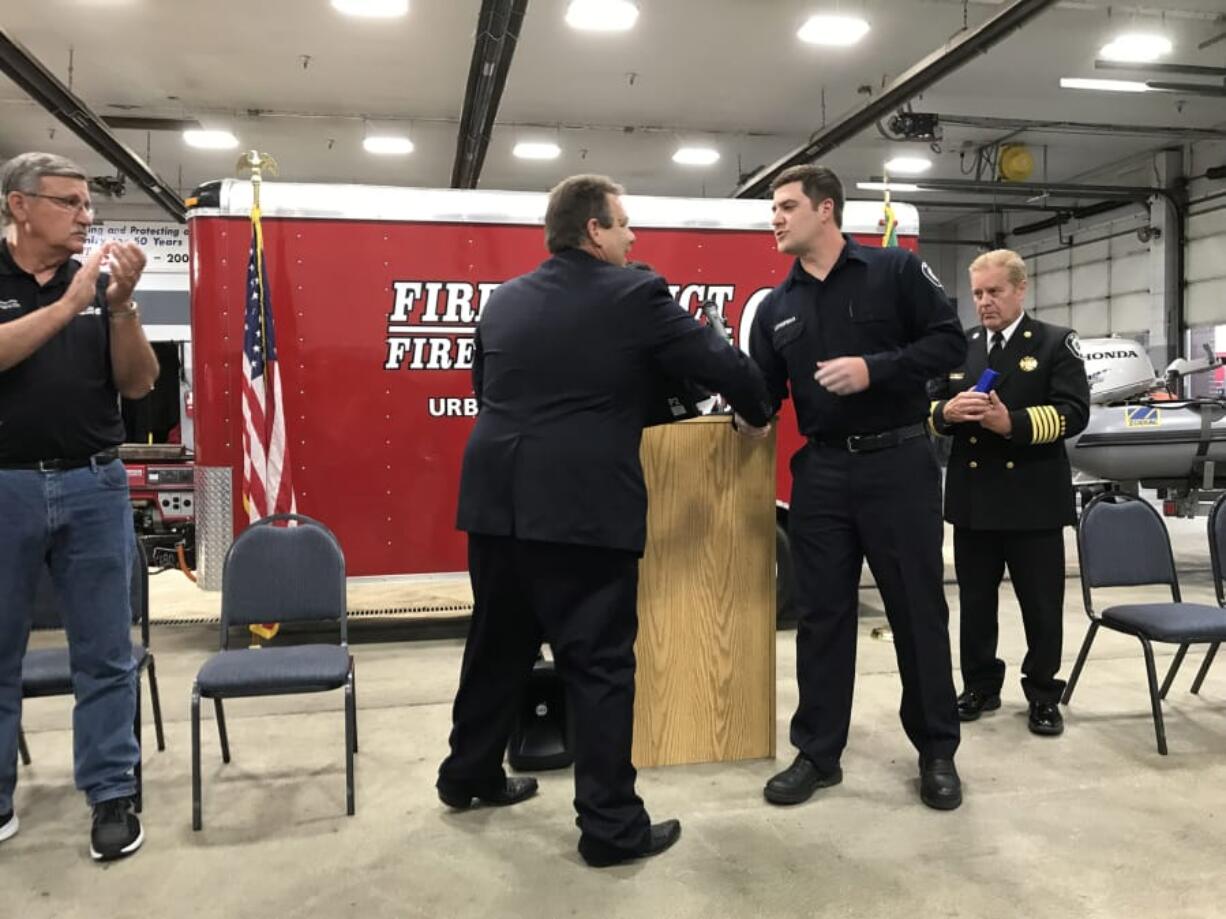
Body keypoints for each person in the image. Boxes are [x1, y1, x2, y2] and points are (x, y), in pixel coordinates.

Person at [437, 173, 773, 867]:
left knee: (496, 646)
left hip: (496, 500)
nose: (633, 237)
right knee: (599, 666)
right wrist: (759, 409)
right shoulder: (635, 293)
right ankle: (611, 827)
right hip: (581, 509)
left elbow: (490, 390)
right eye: (624, 225)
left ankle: (465, 774)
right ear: (594, 229)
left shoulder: (503, 300)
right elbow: (719, 365)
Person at [748, 164, 967, 811]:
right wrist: (743, 412)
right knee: (820, 617)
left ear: (826, 209)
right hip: (821, 474)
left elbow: (951, 343)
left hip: (898, 463)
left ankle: (936, 752)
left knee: (915, 612)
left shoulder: (894, 273)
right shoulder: (777, 307)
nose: (776, 218)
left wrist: (877, 368)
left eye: (787, 206)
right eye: (773, 209)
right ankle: (818, 752)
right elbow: (764, 395)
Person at [0, 152, 159, 861]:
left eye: (87, 205)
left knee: (104, 651)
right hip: (6, 486)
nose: (85, 217)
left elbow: (138, 383)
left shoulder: (102, 287)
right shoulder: (60, 290)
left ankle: (110, 792)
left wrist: (119, 307)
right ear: (20, 205)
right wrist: (69, 306)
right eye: (68, 202)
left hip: (94, 483)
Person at [930, 249, 1090, 736]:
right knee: (975, 605)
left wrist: (1011, 423)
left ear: (1021, 289)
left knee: (1041, 606)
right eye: (977, 293)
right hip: (974, 502)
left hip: (1032, 502)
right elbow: (929, 404)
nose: (984, 302)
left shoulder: (1054, 343)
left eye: (994, 291)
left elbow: (1074, 413)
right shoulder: (960, 346)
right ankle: (979, 685)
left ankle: (1043, 693)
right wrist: (946, 414)